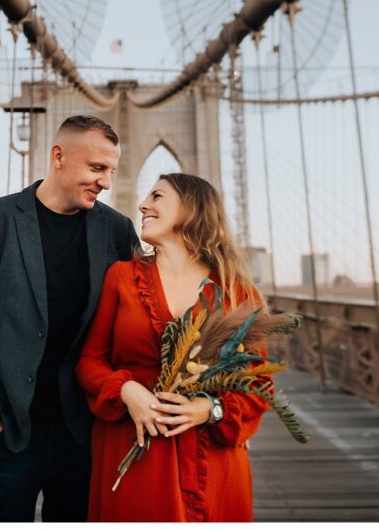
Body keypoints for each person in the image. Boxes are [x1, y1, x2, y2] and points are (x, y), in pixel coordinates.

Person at [0, 115, 140, 522]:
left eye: (111, 171)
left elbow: (143, 316)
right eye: (96, 168)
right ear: (58, 156)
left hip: (86, 434)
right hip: (9, 431)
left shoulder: (118, 231)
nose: (106, 182)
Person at [75, 173, 270, 522]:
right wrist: (125, 390)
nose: (143, 205)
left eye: (157, 196)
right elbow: (90, 361)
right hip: (132, 442)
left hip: (211, 457)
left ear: (192, 210)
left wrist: (210, 409)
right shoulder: (121, 277)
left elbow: (258, 384)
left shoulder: (238, 293)